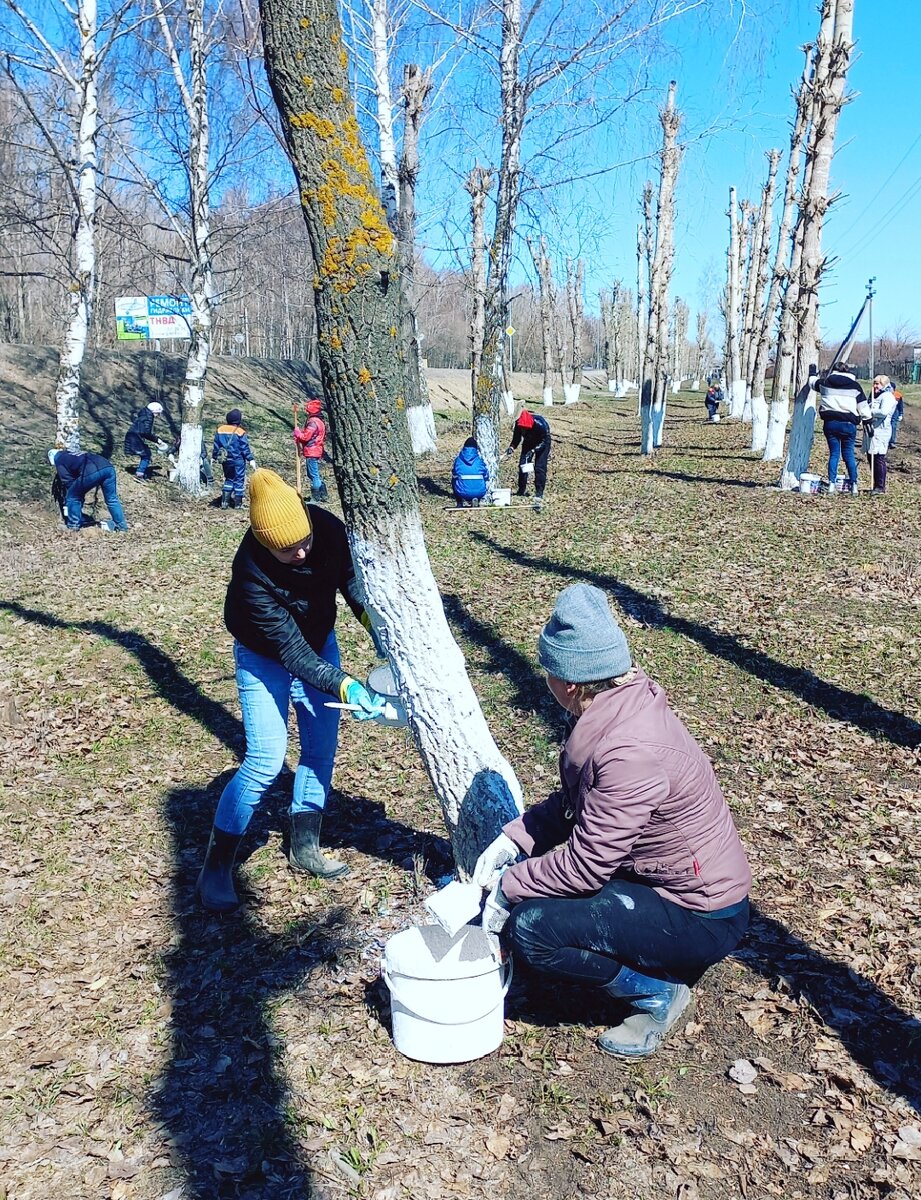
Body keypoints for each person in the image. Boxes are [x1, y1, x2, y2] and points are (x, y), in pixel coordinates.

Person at [474, 583, 751, 1059]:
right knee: (539, 902)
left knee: (532, 929)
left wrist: (509, 886)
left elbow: (587, 867)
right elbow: (578, 802)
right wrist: (517, 838)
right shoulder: (619, 706)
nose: (544, 680)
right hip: (662, 879)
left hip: (700, 913)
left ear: (571, 683)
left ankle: (656, 992)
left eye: (547, 672)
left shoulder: (630, 752)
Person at [197, 468, 388, 912]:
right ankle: (217, 865)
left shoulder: (326, 528)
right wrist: (345, 683)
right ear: (264, 542)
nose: (302, 551)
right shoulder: (250, 573)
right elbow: (293, 654)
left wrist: (377, 628)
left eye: (303, 540)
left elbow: (351, 583)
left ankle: (305, 846)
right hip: (265, 655)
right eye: (288, 549)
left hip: (320, 639)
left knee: (320, 750)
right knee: (265, 759)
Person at [813, 362, 871, 494]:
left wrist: (812, 372)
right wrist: (868, 419)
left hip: (831, 423)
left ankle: (832, 485)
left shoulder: (825, 383)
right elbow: (863, 406)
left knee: (834, 454)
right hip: (849, 425)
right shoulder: (855, 386)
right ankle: (854, 485)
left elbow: (812, 382)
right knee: (849, 455)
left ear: (833, 371)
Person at [48, 448, 129, 532]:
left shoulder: (59, 459)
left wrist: (77, 496)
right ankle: (122, 527)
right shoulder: (71, 453)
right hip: (108, 467)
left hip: (92, 470)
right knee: (112, 499)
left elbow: (68, 481)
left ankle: (73, 525)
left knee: (72, 496)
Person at [504, 409, 551, 511]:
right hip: (528, 442)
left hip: (542, 443)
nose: (523, 431)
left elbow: (544, 441)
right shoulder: (518, 424)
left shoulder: (540, 425)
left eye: (525, 429)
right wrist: (512, 447)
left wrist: (534, 450)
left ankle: (539, 492)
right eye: (522, 429)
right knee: (523, 465)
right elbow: (516, 439)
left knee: (539, 467)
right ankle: (521, 489)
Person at [212, 408, 256, 509]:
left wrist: (214, 457)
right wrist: (250, 459)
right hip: (238, 460)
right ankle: (238, 504)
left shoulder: (220, 430)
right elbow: (244, 448)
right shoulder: (240, 432)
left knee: (228, 479)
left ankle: (224, 503)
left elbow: (216, 446)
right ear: (238, 420)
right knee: (239, 480)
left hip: (226, 460)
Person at [864, 375, 899, 496]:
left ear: (884, 385)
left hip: (881, 432)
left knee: (878, 458)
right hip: (872, 430)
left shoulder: (888, 396)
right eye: (874, 383)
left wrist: (869, 411)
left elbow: (884, 412)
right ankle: (875, 484)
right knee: (871, 457)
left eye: (877, 384)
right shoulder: (874, 395)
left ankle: (880, 486)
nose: (875, 386)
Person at [293, 397, 329, 502]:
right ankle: (323, 494)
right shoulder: (320, 421)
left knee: (313, 474)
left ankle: (316, 497)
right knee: (313, 473)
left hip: (312, 451)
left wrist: (298, 434)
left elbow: (306, 437)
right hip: (316, 450)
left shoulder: (313, 422)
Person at [124, 400, 167, 481]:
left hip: (132, 436)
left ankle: (141, 472)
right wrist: (157, 440)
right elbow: (146, 432)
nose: (157, 416)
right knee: (146, 455)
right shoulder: (148, 418)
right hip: (135, 438)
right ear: (154, 411)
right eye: (158, 413)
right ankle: (139, 475)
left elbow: (144, 432)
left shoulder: (144, 415)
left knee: (146, 452)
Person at [451, 436, 490, 507]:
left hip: (461, 492)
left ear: (464, 447)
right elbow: (486, 475)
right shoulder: (479, 461)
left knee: (454, 478)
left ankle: (459, 502)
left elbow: (454, 473)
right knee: (484, 478)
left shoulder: (458, 460)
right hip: (480, 492)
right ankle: (477, 500)